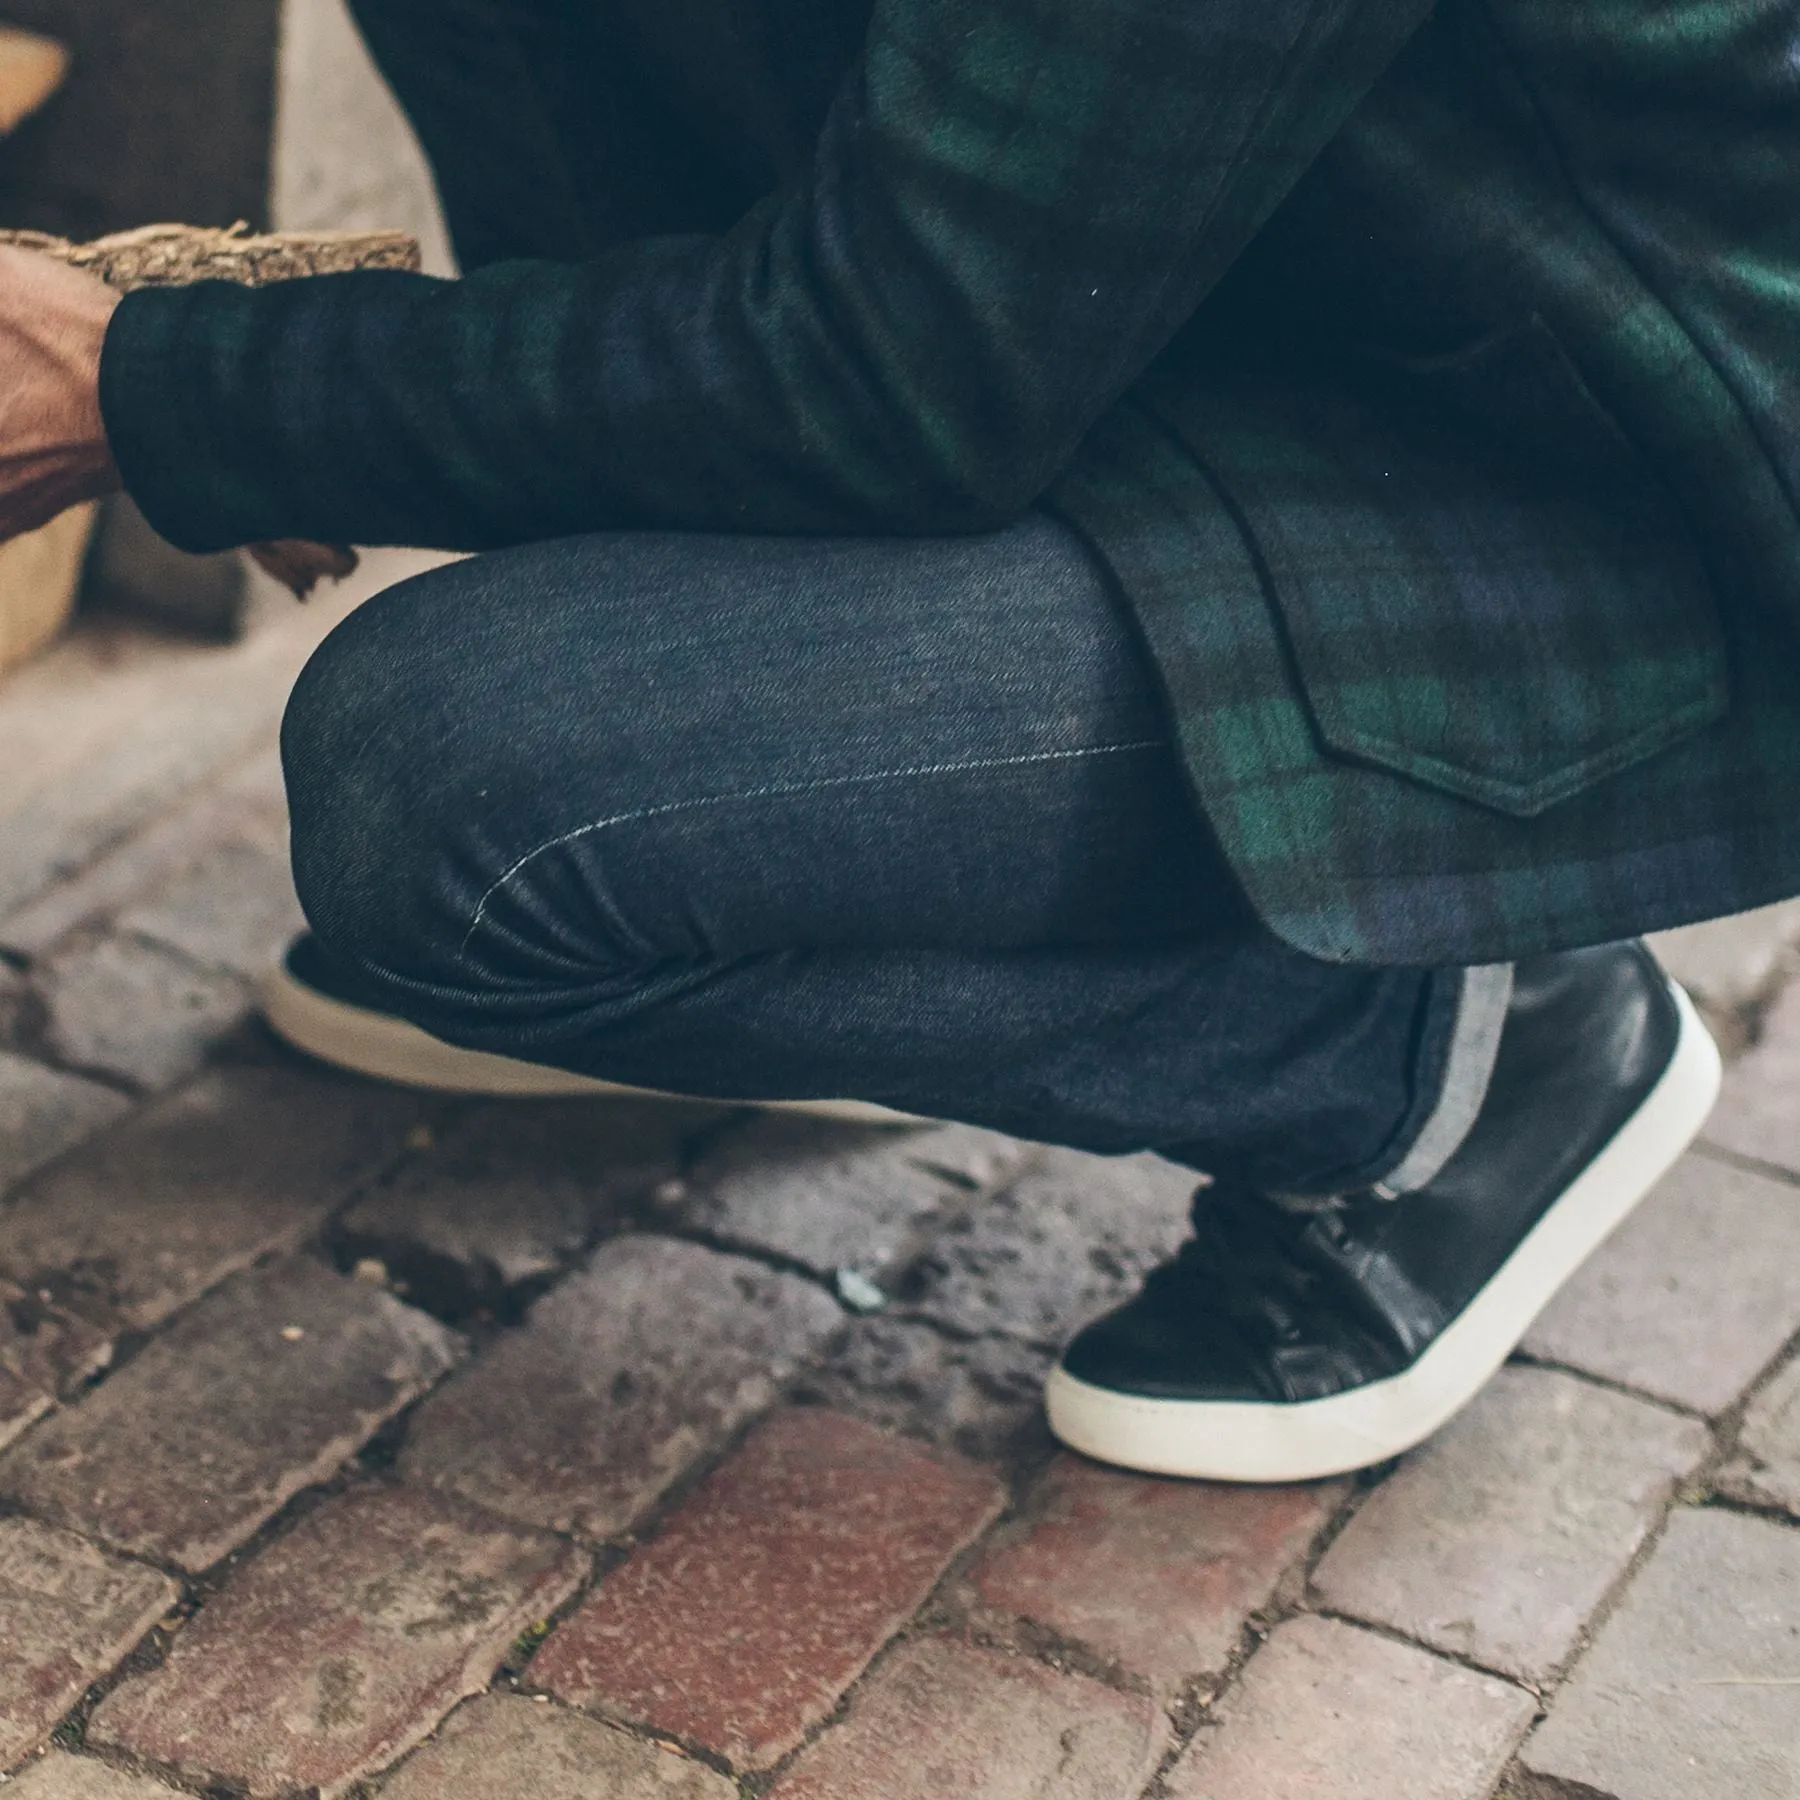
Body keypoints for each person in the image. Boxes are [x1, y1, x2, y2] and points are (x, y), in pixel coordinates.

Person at [2, 0, 1794, 1483]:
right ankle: (803, 873)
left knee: (459, 792)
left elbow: (882, 377)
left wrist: (165, 383)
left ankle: (1450, 1044)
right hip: (1192, 299)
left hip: (1547, 495)